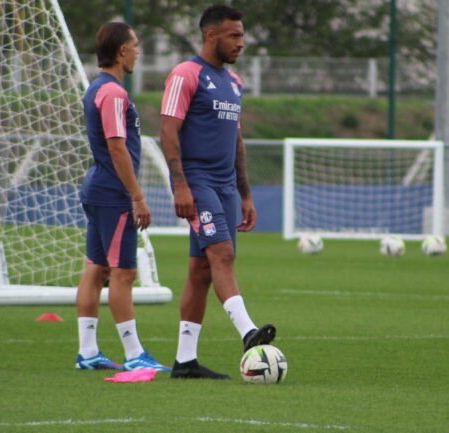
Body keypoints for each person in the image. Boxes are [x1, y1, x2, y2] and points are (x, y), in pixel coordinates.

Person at [159, 5, 275, 379]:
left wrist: (245, 194)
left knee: (201, 271)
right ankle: (248, 334)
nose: (242, 42)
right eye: (235, 36)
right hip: (198, 183)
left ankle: (185, 362)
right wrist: (180, 184)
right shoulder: (185, 74)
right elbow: (168, 132)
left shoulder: (234, 82)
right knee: (222, 254)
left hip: (226, 186)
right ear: (212, 36)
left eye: (242, 35)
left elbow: (237, 142)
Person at [75, 22, 169, 371]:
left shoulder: (95, 88)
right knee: (123, 273)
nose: (139, 51)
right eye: (136, 44)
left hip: (98, 188)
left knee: (96, 269)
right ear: (122, 51)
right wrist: (138, 196)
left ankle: (88, 353)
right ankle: (134, 355)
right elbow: (117, 148)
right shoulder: (114, 93)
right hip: (113, 194)